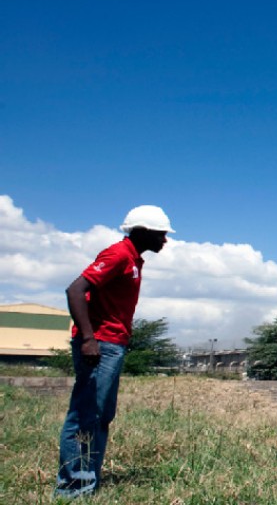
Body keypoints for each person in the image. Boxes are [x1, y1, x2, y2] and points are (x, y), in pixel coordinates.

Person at [55, 205, 173, 498]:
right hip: (100, 344)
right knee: (86, 413)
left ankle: (87, 479)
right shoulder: (118, 255)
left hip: (112, 344)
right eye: (161, 234)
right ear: (143, 232)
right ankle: (74, 488)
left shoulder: (133, 259)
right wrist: (87, 339)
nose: (165, 241)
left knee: (100, 414)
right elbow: (75, 290)